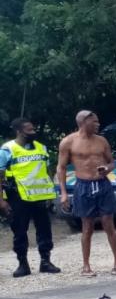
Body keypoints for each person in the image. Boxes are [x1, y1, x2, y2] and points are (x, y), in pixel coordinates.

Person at [58, 110, 116, 277]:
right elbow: (62, 167)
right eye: (94, 122)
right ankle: (86, 265)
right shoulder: (68, 142)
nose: (98, 125)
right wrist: (64, 193)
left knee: (109, 224)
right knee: (87, 227)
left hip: (102, 184)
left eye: (97, 122)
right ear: (83, 122)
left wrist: (107, 168)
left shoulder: (101, 141)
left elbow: (112, 162)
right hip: (83, 186)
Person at [0, 118, 62, 277]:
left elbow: (46, 171)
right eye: (30, 130)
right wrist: (1, 200)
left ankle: (46, 262)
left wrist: (50, 193)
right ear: (19, 131)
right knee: (19, 231)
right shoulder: (7, 150)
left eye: (34, 129)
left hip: (40, 196)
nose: (34, 132)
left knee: (44, 230)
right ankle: (23, 264)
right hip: (17, 196)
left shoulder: (42, 148)